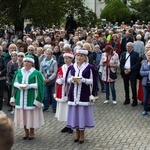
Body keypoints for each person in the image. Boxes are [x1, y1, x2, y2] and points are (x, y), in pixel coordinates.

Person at [65, 48, 97, 144]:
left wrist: (83, 80)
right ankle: (76, 133)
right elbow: (66, 80)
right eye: (78, 55)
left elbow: (93, 81)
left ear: (85, 57)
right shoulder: (71, 67)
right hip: (73, 94)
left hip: (84, 94)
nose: (79, 57)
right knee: (75, 115)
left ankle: (82, 135)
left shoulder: (90, 67)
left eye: (81, 56)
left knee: (82, 115)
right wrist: (72, 80)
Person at [11, 54, 44, 140]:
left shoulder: (36, 73)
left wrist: (29, 86)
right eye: (25, 61)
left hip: (31, 97)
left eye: (28, 62)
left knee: (31, 115)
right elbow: (14, 83)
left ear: (32, 63)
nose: (26, 63)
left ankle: (32, 132)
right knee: (23, 115)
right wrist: (19, 86)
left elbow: (40, 85)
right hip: (20, 96)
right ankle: (26, 132)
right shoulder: (19, 72)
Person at [55, 52, 74, 133]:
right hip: (62, 89)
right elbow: (58, 76)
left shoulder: (74, 67)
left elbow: (73, 77)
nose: (66, 60)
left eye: (68, 58)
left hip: (70, 89)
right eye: (65, 58)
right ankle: (67, 124)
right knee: (64, 108)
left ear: (71, 59)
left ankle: (71, 125)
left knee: (70, 108)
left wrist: (66, 80)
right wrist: (58, 80)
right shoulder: (61, 67)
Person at [120, 42, 140, 106]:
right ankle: (127, 99)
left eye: (129, 46)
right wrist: (124, 70)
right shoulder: (123, 54)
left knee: (133, 87)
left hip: (132, 73)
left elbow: (137, 64)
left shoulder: (136, 54)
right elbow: (121, 64)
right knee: (126, 86)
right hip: (125, 72)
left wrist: (130, 69)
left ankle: (134, 100)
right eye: (126, 46)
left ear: (132, 47)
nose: (127, 47)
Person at [40, 48, 58, 113]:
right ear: (44, 54)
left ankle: (54, 107)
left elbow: (55, 72)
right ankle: (46, 107)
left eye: (49, 54)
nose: (47, 55)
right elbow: (40, 72)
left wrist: (49, 79)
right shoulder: (42, 62)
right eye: (46, 54)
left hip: (52, 79)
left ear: (51, 55)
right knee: (45, 95)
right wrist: (44, 79)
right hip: (44, 79)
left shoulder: (54, 62)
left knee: (53, 94)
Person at [140, 50, 150, 115]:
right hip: (145, 83)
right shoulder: (144, 63)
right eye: (148, 55)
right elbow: (141, 72)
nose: (149, 56)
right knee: (145, 97)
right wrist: (148, 72)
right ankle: (145, 110)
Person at [0, 50, 6, 115]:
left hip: (1, 79)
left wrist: (1, 72)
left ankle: (0, 109)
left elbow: (5, 68)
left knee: (1, 95)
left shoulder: (2, 59)